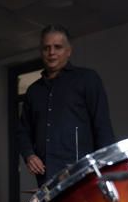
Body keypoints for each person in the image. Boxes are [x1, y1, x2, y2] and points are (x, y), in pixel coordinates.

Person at [17, 25, 115, 186]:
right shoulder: (33, 91)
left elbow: (102, 125)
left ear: (68, 51)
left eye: (58, 47)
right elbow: (23, 131)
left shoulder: (87, 79)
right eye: (46, 48)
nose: (52, 52)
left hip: (81, 173)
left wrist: (106, 169)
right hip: (46, 177)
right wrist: (29, 155)